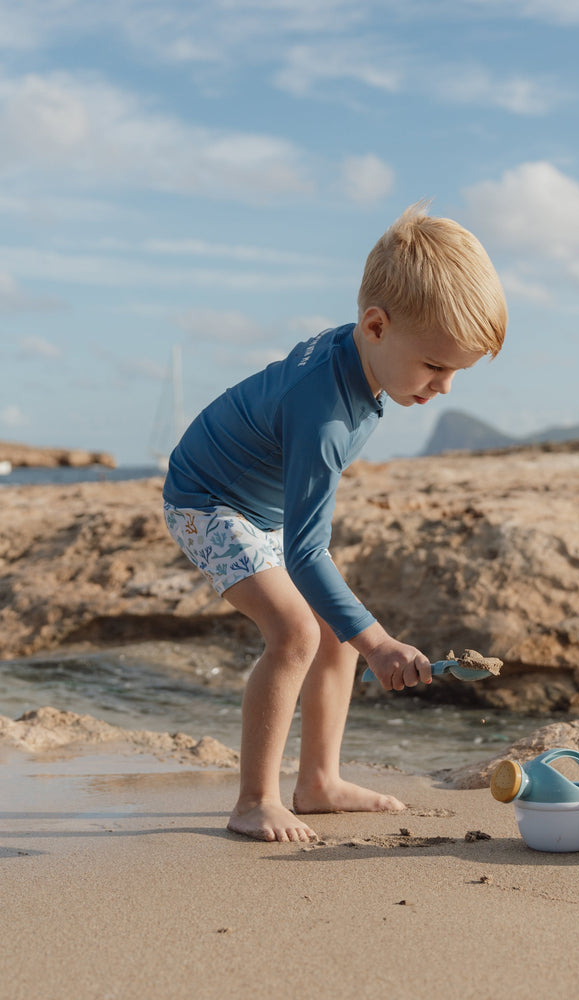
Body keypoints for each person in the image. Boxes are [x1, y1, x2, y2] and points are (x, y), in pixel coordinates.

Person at [162, 203, 507, 843]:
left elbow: (305, 531)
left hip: (257, 505)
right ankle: (254, 800)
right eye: (435, 366)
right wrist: (380, 645)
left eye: (456, 371)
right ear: (376, 325)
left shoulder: (363, 353)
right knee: (295, 631)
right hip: (205, 499)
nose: (445, 387)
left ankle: (318, 782)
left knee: (335, 626)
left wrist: (358, 632)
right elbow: (306, 552)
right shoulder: (324, 414)